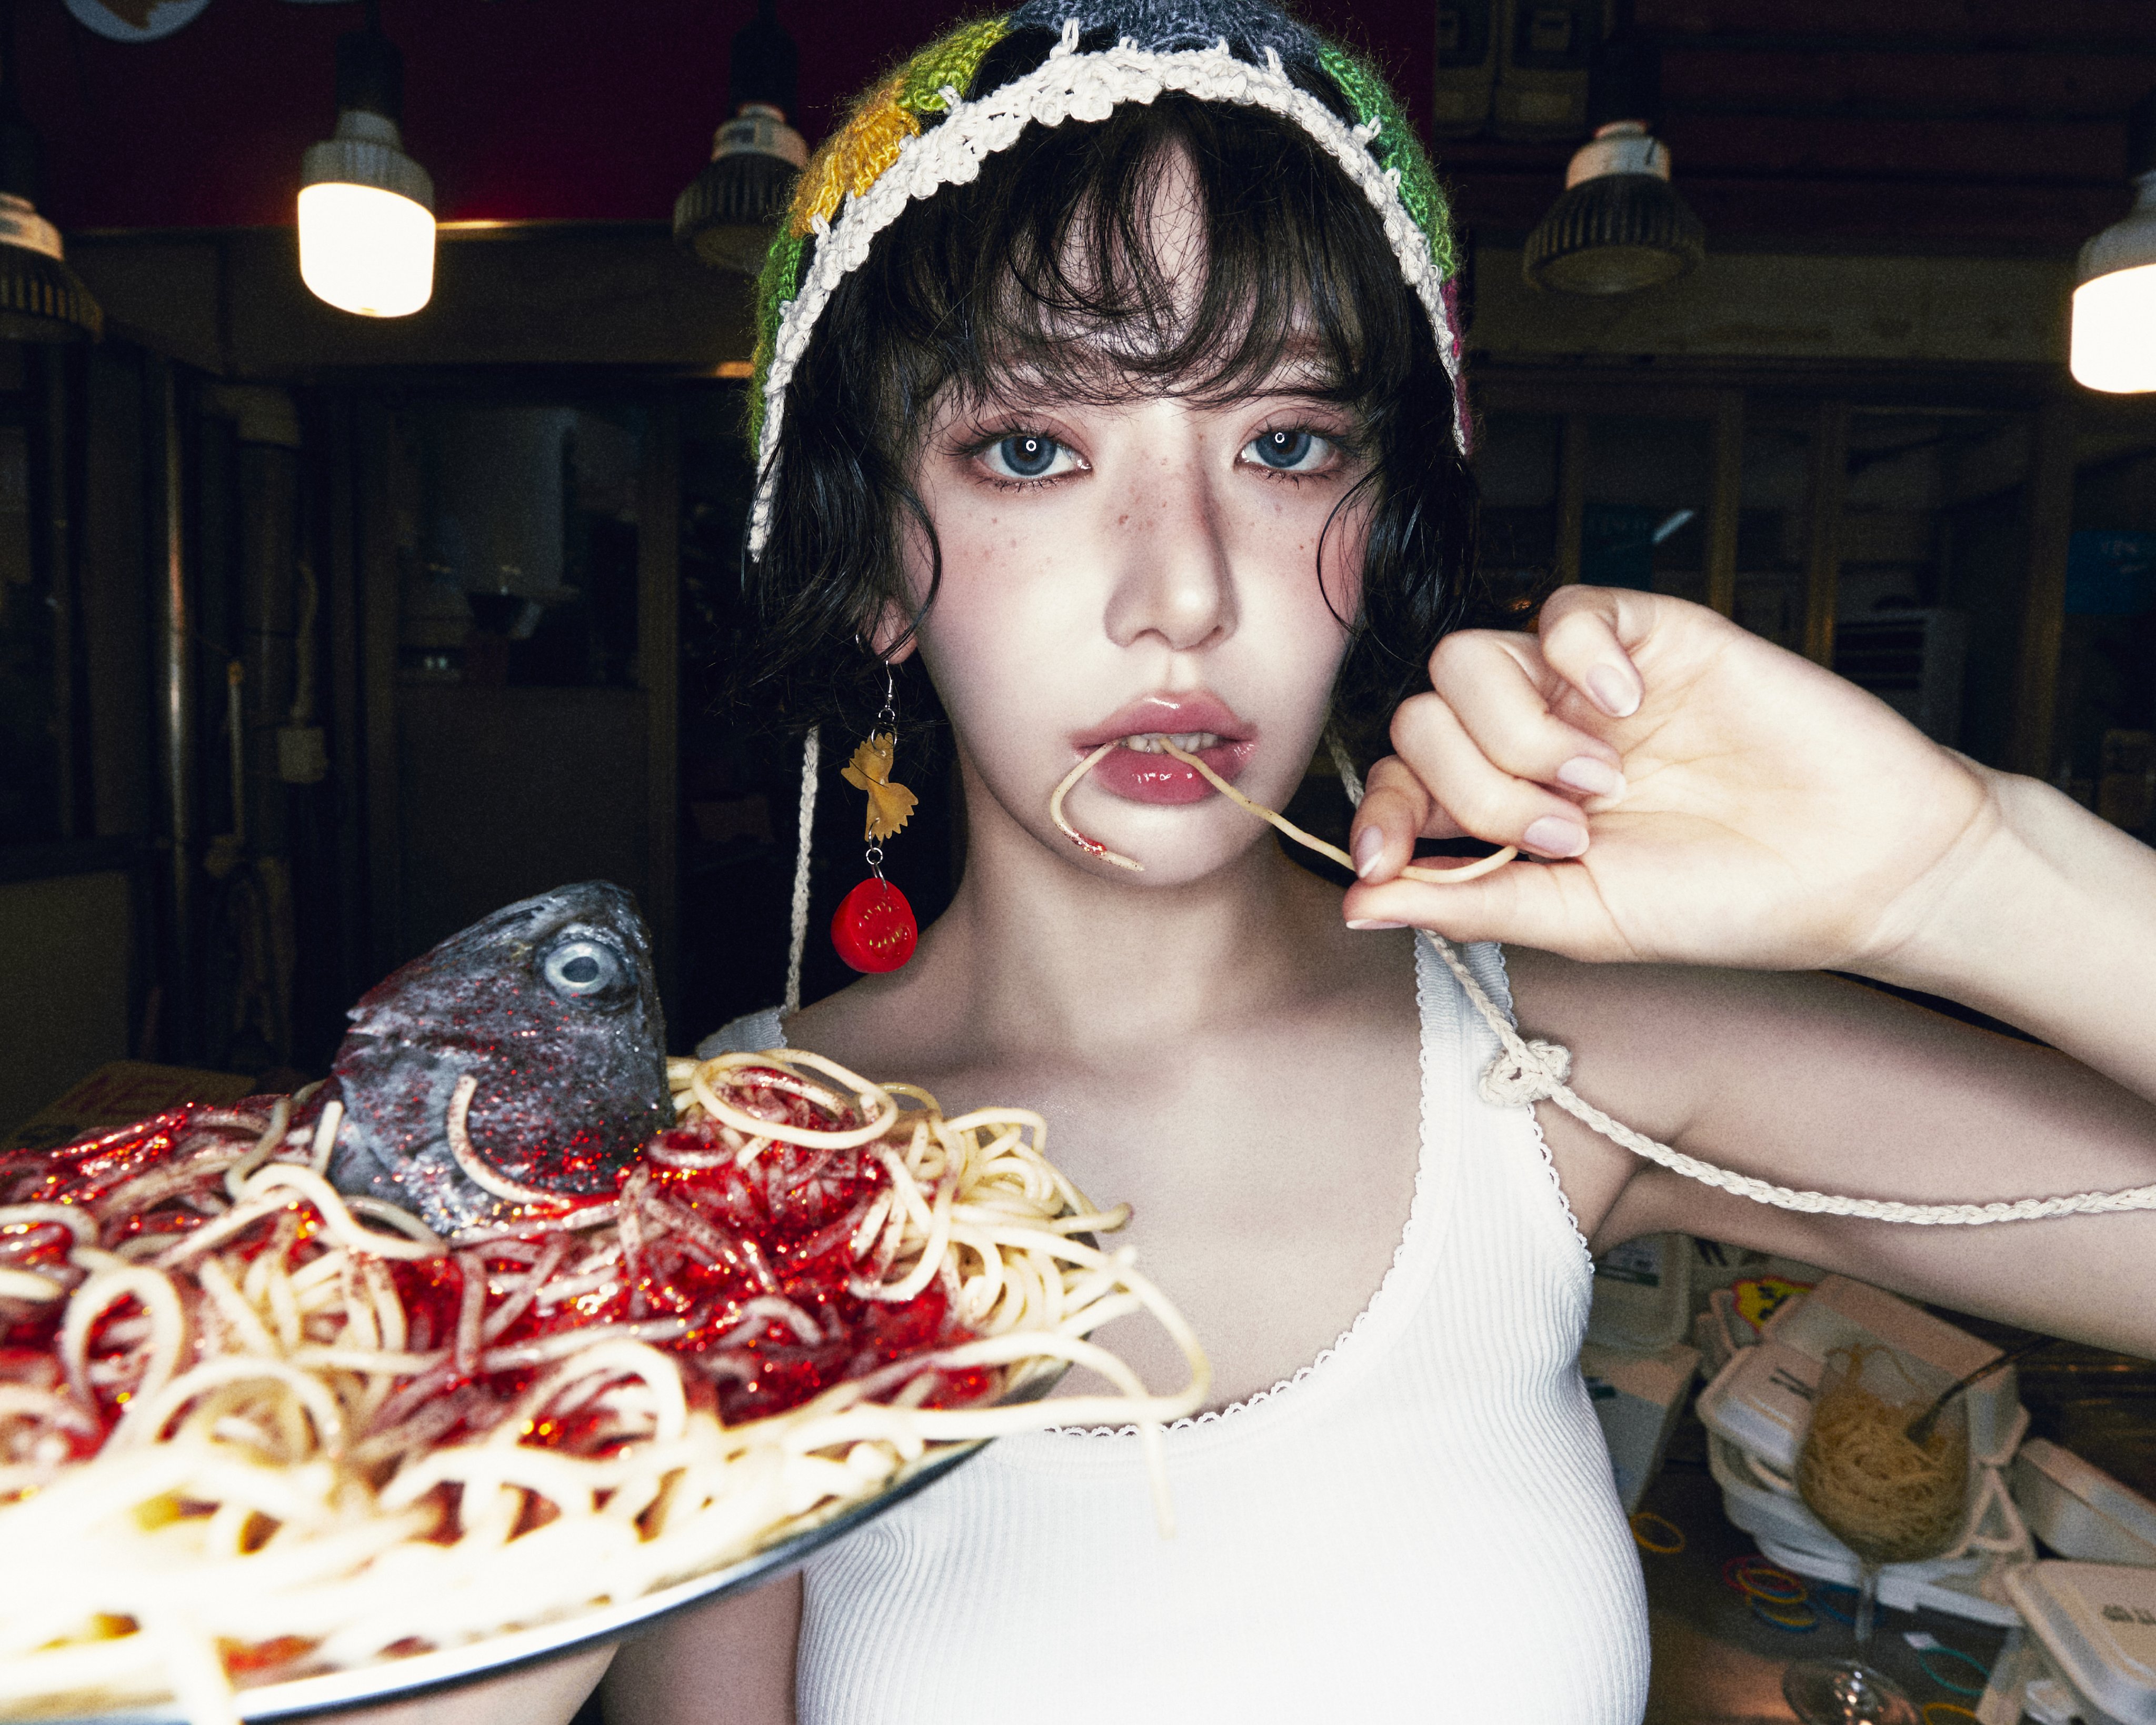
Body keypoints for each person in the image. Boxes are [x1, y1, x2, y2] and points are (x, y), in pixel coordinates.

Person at [541, 3, 2156, 1720]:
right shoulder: (732, 1189)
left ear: (1379, 525)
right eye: (1031, 448)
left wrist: (1963, 876)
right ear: (873, 561)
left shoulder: (1553, 1064)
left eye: (1285, 445)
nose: (1186, 592)